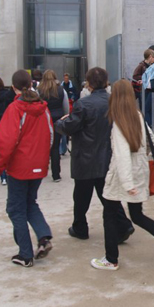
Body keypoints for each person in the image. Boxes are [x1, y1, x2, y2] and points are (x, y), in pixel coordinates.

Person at [90, 79, 154, 271]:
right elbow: (151, 143)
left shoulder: (118, 121)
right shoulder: (137, 115)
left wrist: (126, 182)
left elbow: (122, 154)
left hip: (122, 175)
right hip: (139, 170)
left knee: (109, 214)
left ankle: (111, 259)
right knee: (137, 215)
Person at [54, 67, 134, 243]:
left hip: (85, 157)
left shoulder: (84, 104)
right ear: (106, 82)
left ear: (88, 84)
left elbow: (70, 127)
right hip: (107, 155)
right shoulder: (113, 102)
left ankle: (80, 227)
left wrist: (59, 122)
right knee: (107, 195)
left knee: (82, 196)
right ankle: (123, 225)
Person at [0, 69, 54, 268]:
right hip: (38, 165)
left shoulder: (15, 108)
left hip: (19, 168)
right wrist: (43, 160)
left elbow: (5, 142)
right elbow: (51, 136)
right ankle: (43, 237)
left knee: (15, 209)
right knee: (30, 202)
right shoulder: (42, 108)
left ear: (13, 87)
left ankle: (25, 254)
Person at [37, 70, 69, 182]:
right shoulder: (61, 90)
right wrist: (64, 117)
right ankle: (56, 174)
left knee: (44, 146)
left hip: (44, 120)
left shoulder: (39, 90)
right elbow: (66, 107)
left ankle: (42, 170)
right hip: (57, 120)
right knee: (55, 147)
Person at [60, 73, 78, 155]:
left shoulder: (72, 86)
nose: (66, 79)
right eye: (65, 78)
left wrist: (73, 98)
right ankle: (63, 147)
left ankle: (65, 145)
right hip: (65, 108)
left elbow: (76, 95)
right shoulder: (61, 87)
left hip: (70, 107)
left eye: (67, 78)